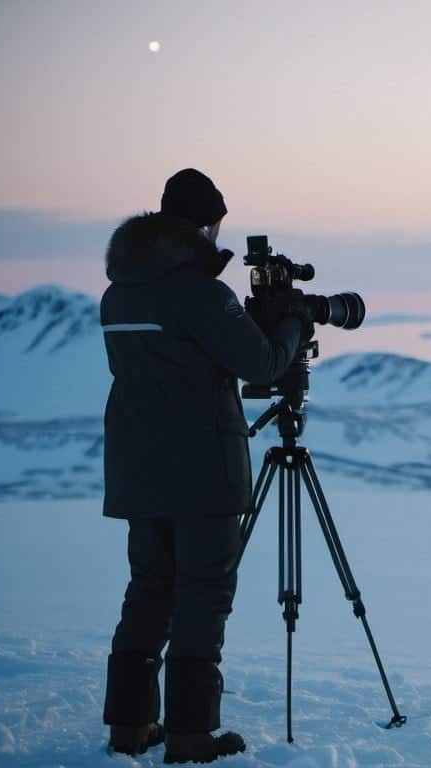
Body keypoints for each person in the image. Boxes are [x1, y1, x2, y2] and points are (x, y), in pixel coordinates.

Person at [99, 169, 311, 763]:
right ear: (204, 225)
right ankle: (192, 737)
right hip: (202, 473)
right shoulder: (199, 292)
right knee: (202, 595)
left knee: (149, 591)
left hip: (139, 470)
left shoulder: (120, 293)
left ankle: (130, 727)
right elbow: (262, 364)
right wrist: (293, 323)